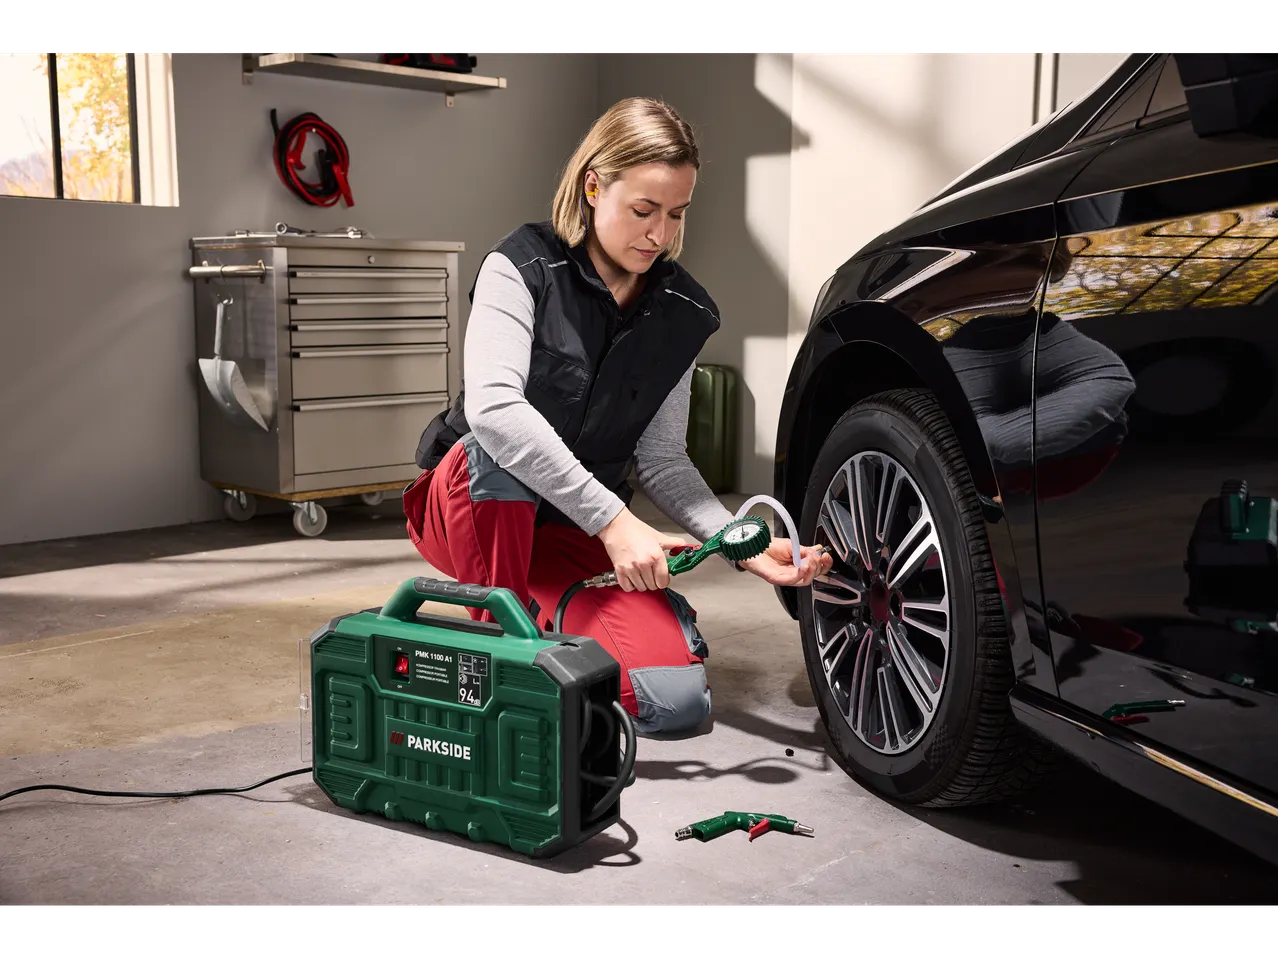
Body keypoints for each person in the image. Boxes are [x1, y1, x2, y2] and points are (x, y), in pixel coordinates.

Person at [403, 97, 832, 736]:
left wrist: (737, 546)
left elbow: (662, 459)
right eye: (643, 210)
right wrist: (616, 522)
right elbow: (493, 411)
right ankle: (493, 641)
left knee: (671, 700)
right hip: (473, 504)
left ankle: (544, 618)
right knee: (503, 445)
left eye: (677, 213)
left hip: (574, 529)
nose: (659, 233)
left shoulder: (682, 310)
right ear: (593, 185)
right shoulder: (520, 268)